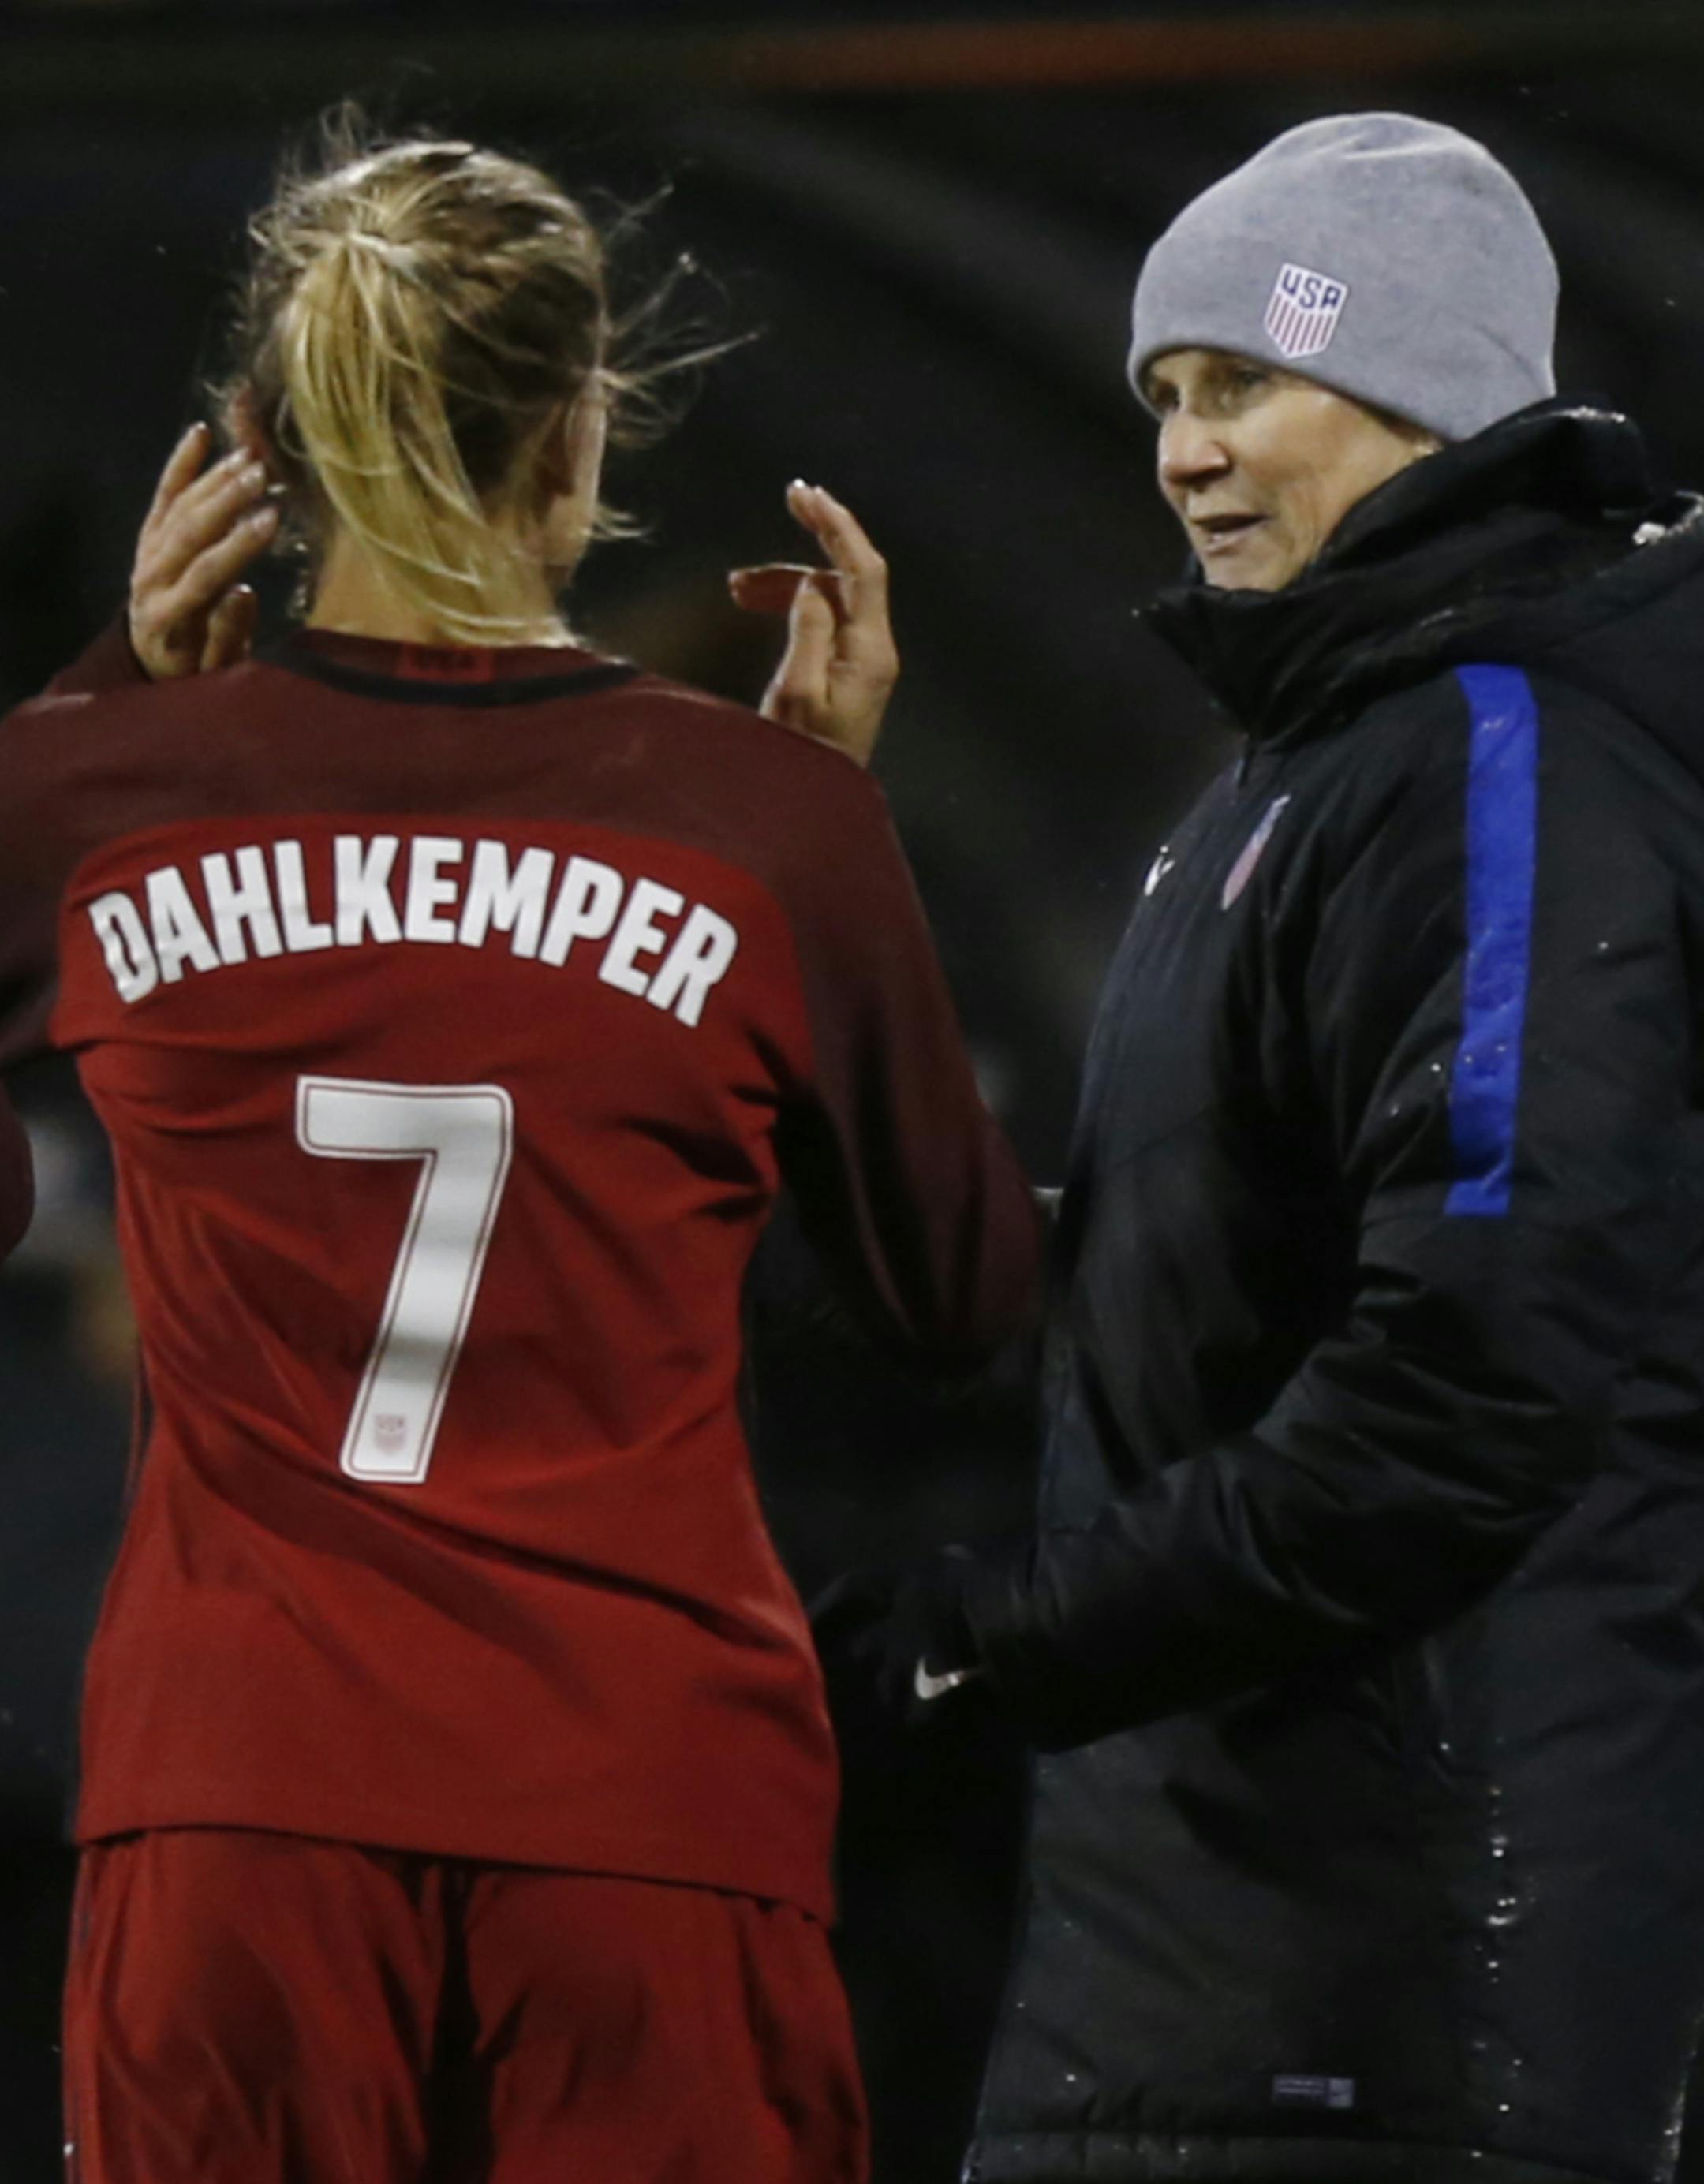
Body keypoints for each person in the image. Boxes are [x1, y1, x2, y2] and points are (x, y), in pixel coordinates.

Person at [0, 121, 1040, 2182]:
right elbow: (961, 1286)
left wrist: (109, 699)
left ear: (264, 457)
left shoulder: (98, 795)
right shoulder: (756, 820)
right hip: (644, 1805)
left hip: (241, 1801)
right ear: (579, 433)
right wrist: (829, 835)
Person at [819, 112, 1704, 2184]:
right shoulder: (1316, 759)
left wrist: (992, 1633)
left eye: (1243, 384)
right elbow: (1221, 1260)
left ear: (1420, 394)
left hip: (1405, 1973)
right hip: (1225, 1956)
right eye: (1160, 397)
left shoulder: (1507, 755)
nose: (1182, 452)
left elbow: (1467, 1391)